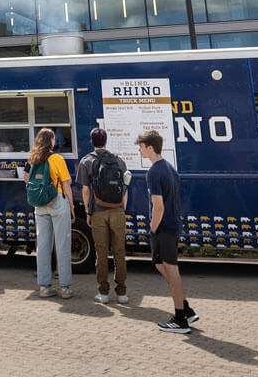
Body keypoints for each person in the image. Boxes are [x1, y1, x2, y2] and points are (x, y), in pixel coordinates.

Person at [138, 130, 198, 333]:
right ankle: (186, 308)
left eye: (141, 147)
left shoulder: (154, 172)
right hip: (171, 224)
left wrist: (153, 229)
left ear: (150, 147)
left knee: (172, 272)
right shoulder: (169, 168)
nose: (139, 150)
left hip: (164, 227)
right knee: (158, 264)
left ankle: (180, 319)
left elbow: (159, 206)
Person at [76, 127, 129, 304]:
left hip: (98, 212)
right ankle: (122, 293)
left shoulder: (86, 161)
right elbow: (125, 189)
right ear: (106, 141)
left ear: (91, 141)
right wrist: (122, 209)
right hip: (117, 211)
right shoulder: (119, 161)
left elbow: (85, 190)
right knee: (119, 252)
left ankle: (103, 293)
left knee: (101, 252)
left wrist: (87, 211)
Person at [26, 128, 74, 299]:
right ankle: (65, 288)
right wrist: (72, 206)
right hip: (57, 202)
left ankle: (45, 287)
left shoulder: (33, 159)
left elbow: (28, 180)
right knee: (62, 244)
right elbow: (66, 183)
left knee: (43, 246)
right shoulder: (57, 158)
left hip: (39, 205)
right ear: (52, 141)